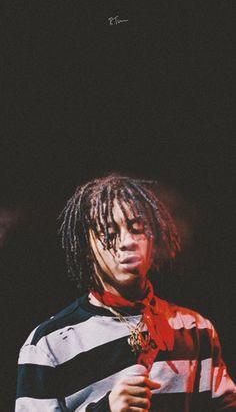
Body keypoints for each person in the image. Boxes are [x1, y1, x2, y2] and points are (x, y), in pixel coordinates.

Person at [16, 174, 236, 411]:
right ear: (87, 247)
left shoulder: (195, 329)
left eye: (137, 228)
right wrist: (107, 409)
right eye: (109, 232)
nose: (127, 241)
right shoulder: (50, 345)